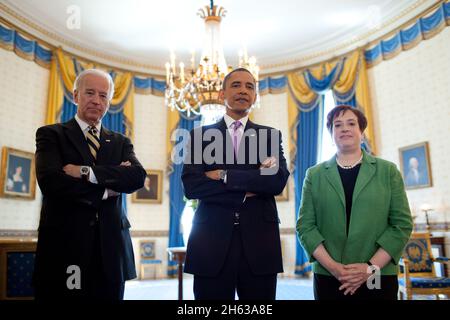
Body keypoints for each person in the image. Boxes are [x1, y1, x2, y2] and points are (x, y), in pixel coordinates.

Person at [33, 69, 146, 300]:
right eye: (90, 93)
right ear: (76, 96)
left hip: (112, 250)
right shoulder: (51, 135)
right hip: (66, 246)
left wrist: (85, 172)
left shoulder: (120, 141)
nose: (96, 100)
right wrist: (107, 189)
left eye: (103, 95)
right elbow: (52, 183)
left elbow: (136, 177)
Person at [182, 68, 290, 300]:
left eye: (250, 86)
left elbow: (276, 181)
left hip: (260, 242)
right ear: (222, 94)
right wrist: (250, 186)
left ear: (255, 96)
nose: (243, 90)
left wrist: (223, 175)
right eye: (236, 85)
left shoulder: (270, 136)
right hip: (210, 240)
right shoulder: (199, 136)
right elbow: (192, 186)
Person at [297, 105, 413, 300]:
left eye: (351, 123)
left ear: (362, 132)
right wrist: (335, 268)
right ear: (331, 133)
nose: (344, 128)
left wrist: (369, 268)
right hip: (329, 274)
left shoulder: (388, 171)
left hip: (377, 274)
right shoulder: (314, 175)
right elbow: (305, 226)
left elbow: (401, 225)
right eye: (337, 125)